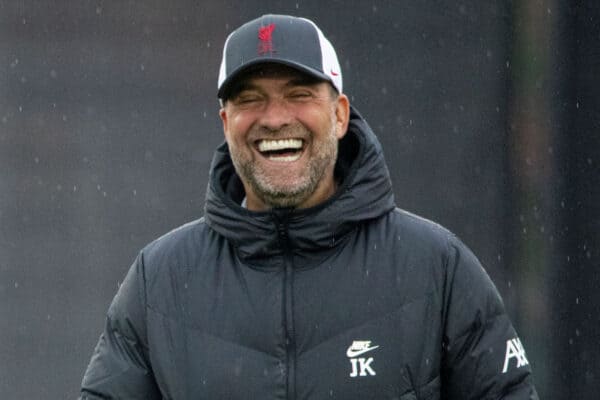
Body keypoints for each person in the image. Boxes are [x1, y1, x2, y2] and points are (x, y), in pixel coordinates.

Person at [80, 14, 538, 399]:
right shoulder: (159, 282)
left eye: (299, 94)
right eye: (250, 99)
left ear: (339, 115)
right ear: (226, 123)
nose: (275, 117)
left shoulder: (437, 268)